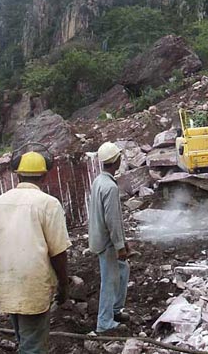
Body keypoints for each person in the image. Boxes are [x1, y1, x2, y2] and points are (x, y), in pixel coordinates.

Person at [0, 150, 71, 354]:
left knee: (24, 338)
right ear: (44, 175)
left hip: (5, 284)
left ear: (17, 174)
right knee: (33, 347)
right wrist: (63, 284)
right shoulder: (48, 204)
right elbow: (58, 253)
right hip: (34, 285)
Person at [89, 141, 130, 333]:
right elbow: (112, 220)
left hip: (99, 238)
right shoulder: (110, 188)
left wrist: (123, 242)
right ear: (117, 161)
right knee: (110, 280)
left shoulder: (99, 181)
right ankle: (104, 322)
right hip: (107, 243)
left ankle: (114, 309)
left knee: (123, 270)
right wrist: (119, 246)